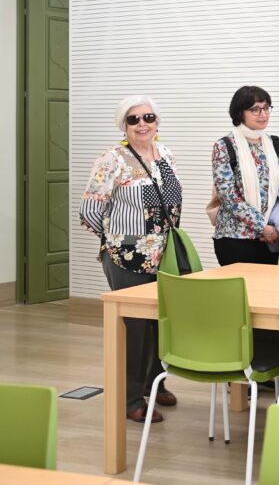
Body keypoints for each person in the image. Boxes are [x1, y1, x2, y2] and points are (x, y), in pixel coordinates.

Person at [80, 96, 182, 423]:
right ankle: (131, 398)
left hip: (164, 255)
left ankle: (155, 382)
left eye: (148, 117)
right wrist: (118, 240)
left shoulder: (166, 155)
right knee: (135, 328)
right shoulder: (111, 159)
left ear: (157, 122)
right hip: (126, 257)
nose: (142, 124)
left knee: (160, 322)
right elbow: (90, 210)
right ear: (123, 125)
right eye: (133, 119)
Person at [211, 86, 279, 266]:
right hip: (235, 237)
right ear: (240, 112)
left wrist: (277, 227)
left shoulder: (274, 144)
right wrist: (263, 227)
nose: (263, 114)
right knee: (240, 285)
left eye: (266, 108)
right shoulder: (224, 146)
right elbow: (228, 196)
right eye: (255, 109)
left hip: (271, 238)